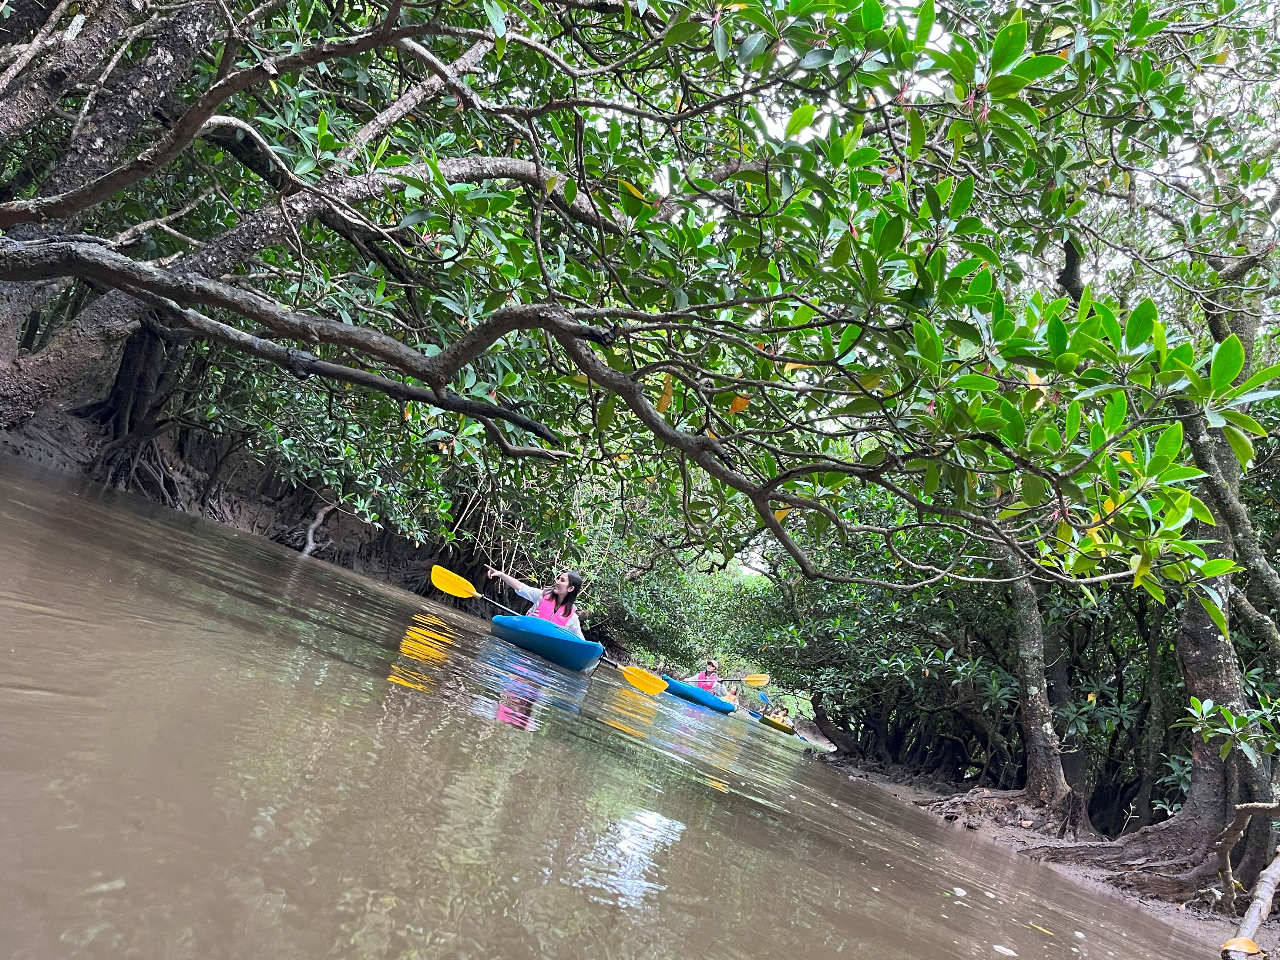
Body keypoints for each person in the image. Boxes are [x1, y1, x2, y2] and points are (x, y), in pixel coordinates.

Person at [485, 566, 585, 640]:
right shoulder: (541, 595)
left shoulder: (572, 617)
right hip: (526, 634)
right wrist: (501, 574)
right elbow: (521, 587)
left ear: (570, 588)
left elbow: (581, 642)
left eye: (562, 580)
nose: (557, 582)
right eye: (558, 578)